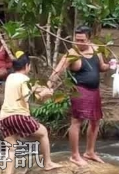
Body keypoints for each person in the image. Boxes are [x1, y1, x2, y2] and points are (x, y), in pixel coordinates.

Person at [47, 26, 114, 166]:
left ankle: (90, 152)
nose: (79, 43)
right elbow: (57, 71)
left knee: (95, 120)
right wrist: (48, 86)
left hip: (94, 90)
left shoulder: (96, 49)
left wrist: (110, 65)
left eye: (82, 40)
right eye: (76, 40)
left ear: (89, 39)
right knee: (77, 122)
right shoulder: (72, 53)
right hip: (79, 89)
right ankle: (75, 155)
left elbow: (101, 67)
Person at [0, 52, 61, 174]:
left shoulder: (10, 77)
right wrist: (45, 94)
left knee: (11, 148)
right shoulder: (24, 80)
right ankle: (48, 163)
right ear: (27, 66)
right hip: (18, 115)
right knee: (43, 132)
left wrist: (43, 91)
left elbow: (34, 91)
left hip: (4, 117)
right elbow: (30, 99)